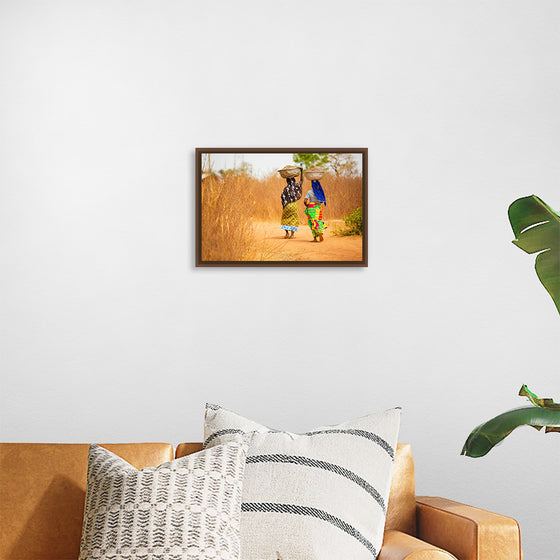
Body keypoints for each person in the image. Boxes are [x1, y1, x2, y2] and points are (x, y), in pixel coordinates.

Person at [280, 167, 303, 239]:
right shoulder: (296, 186)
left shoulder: (285, 189)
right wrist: (302, 171)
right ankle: (292, 235)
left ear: (287, 181)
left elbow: (282, 198)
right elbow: (302, 180)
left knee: (285, 218)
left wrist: (284, 206)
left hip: (287, 206)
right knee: (294, 219)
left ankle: (287, 233)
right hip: (293, 205)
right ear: (294, 180)